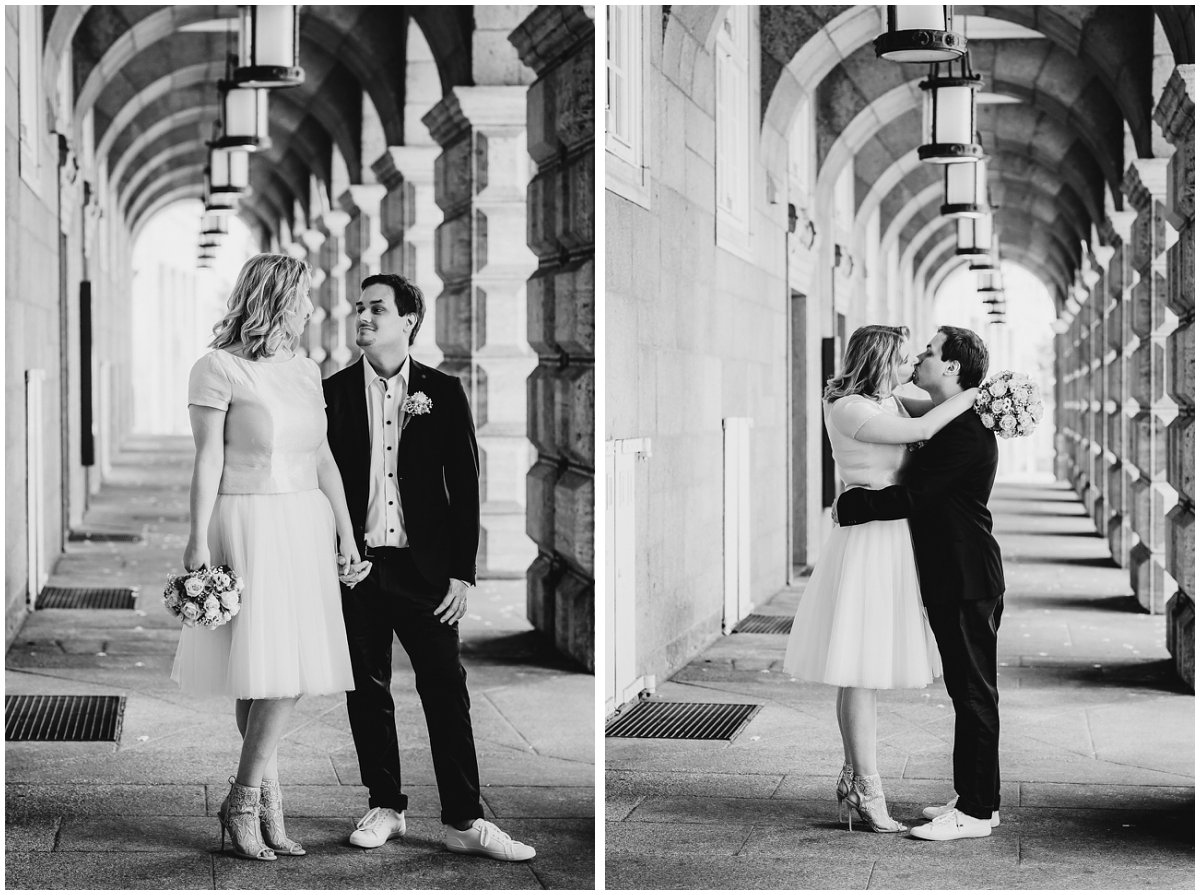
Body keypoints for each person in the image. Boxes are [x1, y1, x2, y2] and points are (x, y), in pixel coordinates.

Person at [323, 273, 535, 861]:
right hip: (359, 570)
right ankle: (385, 806)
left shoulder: (443, 392)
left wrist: (463, 574)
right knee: (367, 691)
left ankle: (464, 820)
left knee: (446, 690)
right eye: (359, 308)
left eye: (377, 309)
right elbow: (321, 483)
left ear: (409, 320)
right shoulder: (334, 393)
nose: (363, 317)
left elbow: (465, 486)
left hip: (425, 575)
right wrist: (334, 554)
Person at [172, 253, 362, 860]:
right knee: (270, 669)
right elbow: (208, 459)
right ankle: (246, 800)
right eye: (305, 295)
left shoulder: (308, 370)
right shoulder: (218, 368)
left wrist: (347, 532)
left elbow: (324, 458)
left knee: (277, 669)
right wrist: (196, 538)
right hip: (247, 518)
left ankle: (262, 800)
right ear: (277, 299)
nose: (313, 305)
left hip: (303, 522)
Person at [783, 324, 979, 833]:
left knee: (863, 667)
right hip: (868, 541)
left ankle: (855, 780)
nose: (910, 365)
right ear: (878, 359)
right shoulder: (851, 407)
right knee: (861, 670)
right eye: (900, 358)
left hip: (889, 538)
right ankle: (866, 788)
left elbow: (936, 414)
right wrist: (982, 393)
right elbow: (924, 431)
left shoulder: (886, 401)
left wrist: (987, 402)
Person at [835, 325, 1006, 842]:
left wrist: (853, 504)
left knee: (973, 692)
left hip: (965, 574)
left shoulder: (964, 429)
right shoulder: (949, 419)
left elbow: (915, 496)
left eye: (929, 353)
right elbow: (898, 410)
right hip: (956, 571)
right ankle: (978, 798)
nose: (919, 359)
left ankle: (975, 813)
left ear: (951, 367)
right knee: (968, 689)